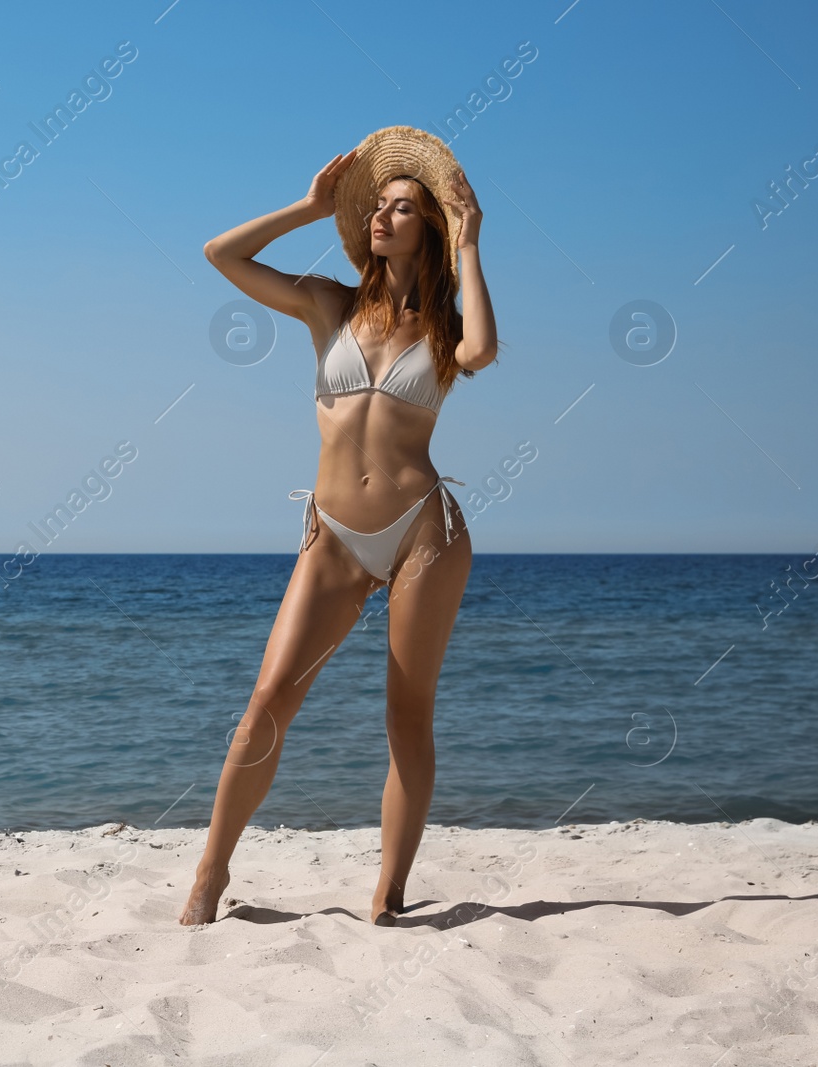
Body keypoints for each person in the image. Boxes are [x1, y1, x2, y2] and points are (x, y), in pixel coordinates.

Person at [180, 125, 498, 927]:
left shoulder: (443, 327)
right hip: (335, 534)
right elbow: (222, 254)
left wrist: (469, 245)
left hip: (424, 530)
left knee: (406, 713)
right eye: (378, 208)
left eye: (401, 209)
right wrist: (310, 204)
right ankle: (210, 874)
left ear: (427, 227)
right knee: (265, 703)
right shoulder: (329, 303)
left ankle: (389, 894)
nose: (381, 219)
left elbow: (484, 351)